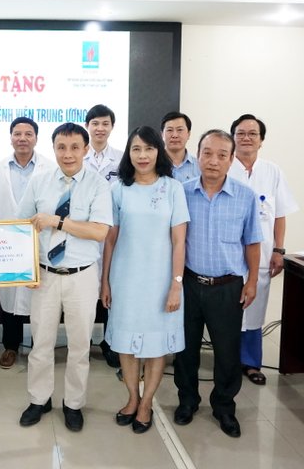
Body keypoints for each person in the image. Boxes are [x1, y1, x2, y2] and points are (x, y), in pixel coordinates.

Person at [17, 123, 112, 432]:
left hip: (81, 276)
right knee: (41, 342)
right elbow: (21, 227)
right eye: (61, 147)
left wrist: (57, 222)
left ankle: (73, 403)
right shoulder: (39, 181)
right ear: (54, 148)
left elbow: (99, 231)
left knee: (80, 345)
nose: (67, 154)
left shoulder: (98, 185)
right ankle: (39, 399)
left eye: (74, 147)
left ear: (86, 149)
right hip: (44, 275)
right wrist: (25, 269)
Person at [101, 126, 189, 434]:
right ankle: (132, 397)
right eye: (136, 149)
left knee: (155, 345)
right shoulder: (118, 189)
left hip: (160, 281)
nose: (142, 155)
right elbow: (110, 240)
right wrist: (105, 281)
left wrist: (176, 283)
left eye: (149, 149)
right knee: (125, 345)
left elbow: (179, 241)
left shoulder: (172, 189)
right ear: (128, 153)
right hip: (125, 279)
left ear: (158, 152)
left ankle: (147, 402)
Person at [174, 129, 262, 438]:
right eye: (207, 153)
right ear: (198, 155)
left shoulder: (245, 196)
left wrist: (252, 281)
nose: (213, 161)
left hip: (228, 287)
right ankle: (187, 400)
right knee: (186, 349)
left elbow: (252, 242)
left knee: (227, 351)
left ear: (231, 159)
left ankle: (224, 407)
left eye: (222, 155)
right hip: (189, 283)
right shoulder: (181, 193)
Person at [229, 114, 299, 385]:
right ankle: (227, 361)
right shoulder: (224, 168)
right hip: (229, 255)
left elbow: (279, 214)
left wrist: (279, 250)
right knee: (227, 310)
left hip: (262, 254)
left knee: (255, 309)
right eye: (240, 133)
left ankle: (250, 362)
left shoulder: (272, 171)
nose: (246, 138)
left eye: (252, 134)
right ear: (233, 138)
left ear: (261, 140)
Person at [0, 117, 55, 369]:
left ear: (36, 138)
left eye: (28, 134)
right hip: (7, 242)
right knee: (9, 294)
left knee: (39, 297)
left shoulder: (49, 168)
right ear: (10, 138)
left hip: (40, 241)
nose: (23, 138)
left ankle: (41, 348)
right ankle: (10, 346)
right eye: (17, 134)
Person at [83, 104, 123, 369]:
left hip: (113, 233)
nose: (100, 128)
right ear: (87, 126)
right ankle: (83, 342)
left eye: (105, 123)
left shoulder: (122, 159)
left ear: (112, 127)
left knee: (112, 287)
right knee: (85, 291)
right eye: (95, 123)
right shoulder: (78, 156)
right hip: (84, 233)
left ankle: (110, 343)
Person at [161, 111, 201, 182]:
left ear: (188, 134)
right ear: (162, 134)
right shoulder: (153, 164)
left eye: (180, 130)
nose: (175, 135)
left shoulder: (200, 166)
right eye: (170, 130)